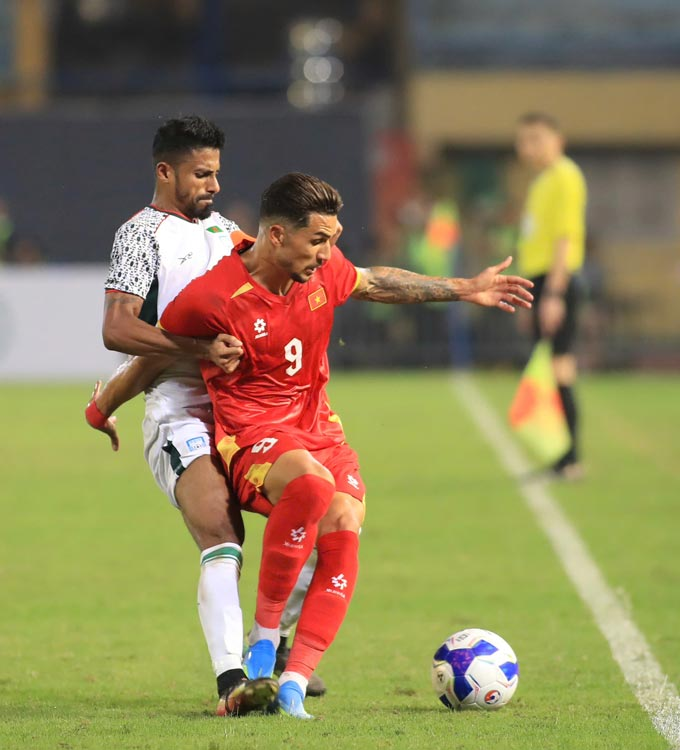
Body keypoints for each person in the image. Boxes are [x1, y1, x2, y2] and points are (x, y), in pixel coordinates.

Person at [158, 172, 534, 718]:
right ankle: (263, 642)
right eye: (318, 240)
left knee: (344, 520)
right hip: (254, 434)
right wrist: (115, 400)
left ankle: (294, 681)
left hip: (320, 430)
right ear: (277, 235)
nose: (327, 253)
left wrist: (465, 288)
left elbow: (375, 281)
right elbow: (153, 345)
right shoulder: (215, 293)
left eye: (333, 240)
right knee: (312, 485)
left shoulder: (322, 270)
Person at [90, 114, 284, 717]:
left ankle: (281, 654)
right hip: (180, 412)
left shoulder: (228, 233)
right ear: (165, 172)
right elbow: (118, 329)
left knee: (314, 505)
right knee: (222, 535)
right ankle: (233, 683)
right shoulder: (140, 235)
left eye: (217, 173)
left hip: (244, 410)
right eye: (202, 174)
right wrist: (200, 350)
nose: (214, 185)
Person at [515, 112, 587, 479]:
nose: (529, 147)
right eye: (524, 140)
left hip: (556, 281)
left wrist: (554, 293)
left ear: (559, 140)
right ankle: (560, 458)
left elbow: (565, 237)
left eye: (537, 139)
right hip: (539, 283)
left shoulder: (565, 176)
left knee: (560, 369)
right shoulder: (541, 182)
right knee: (548, 371)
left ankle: (570, 460)